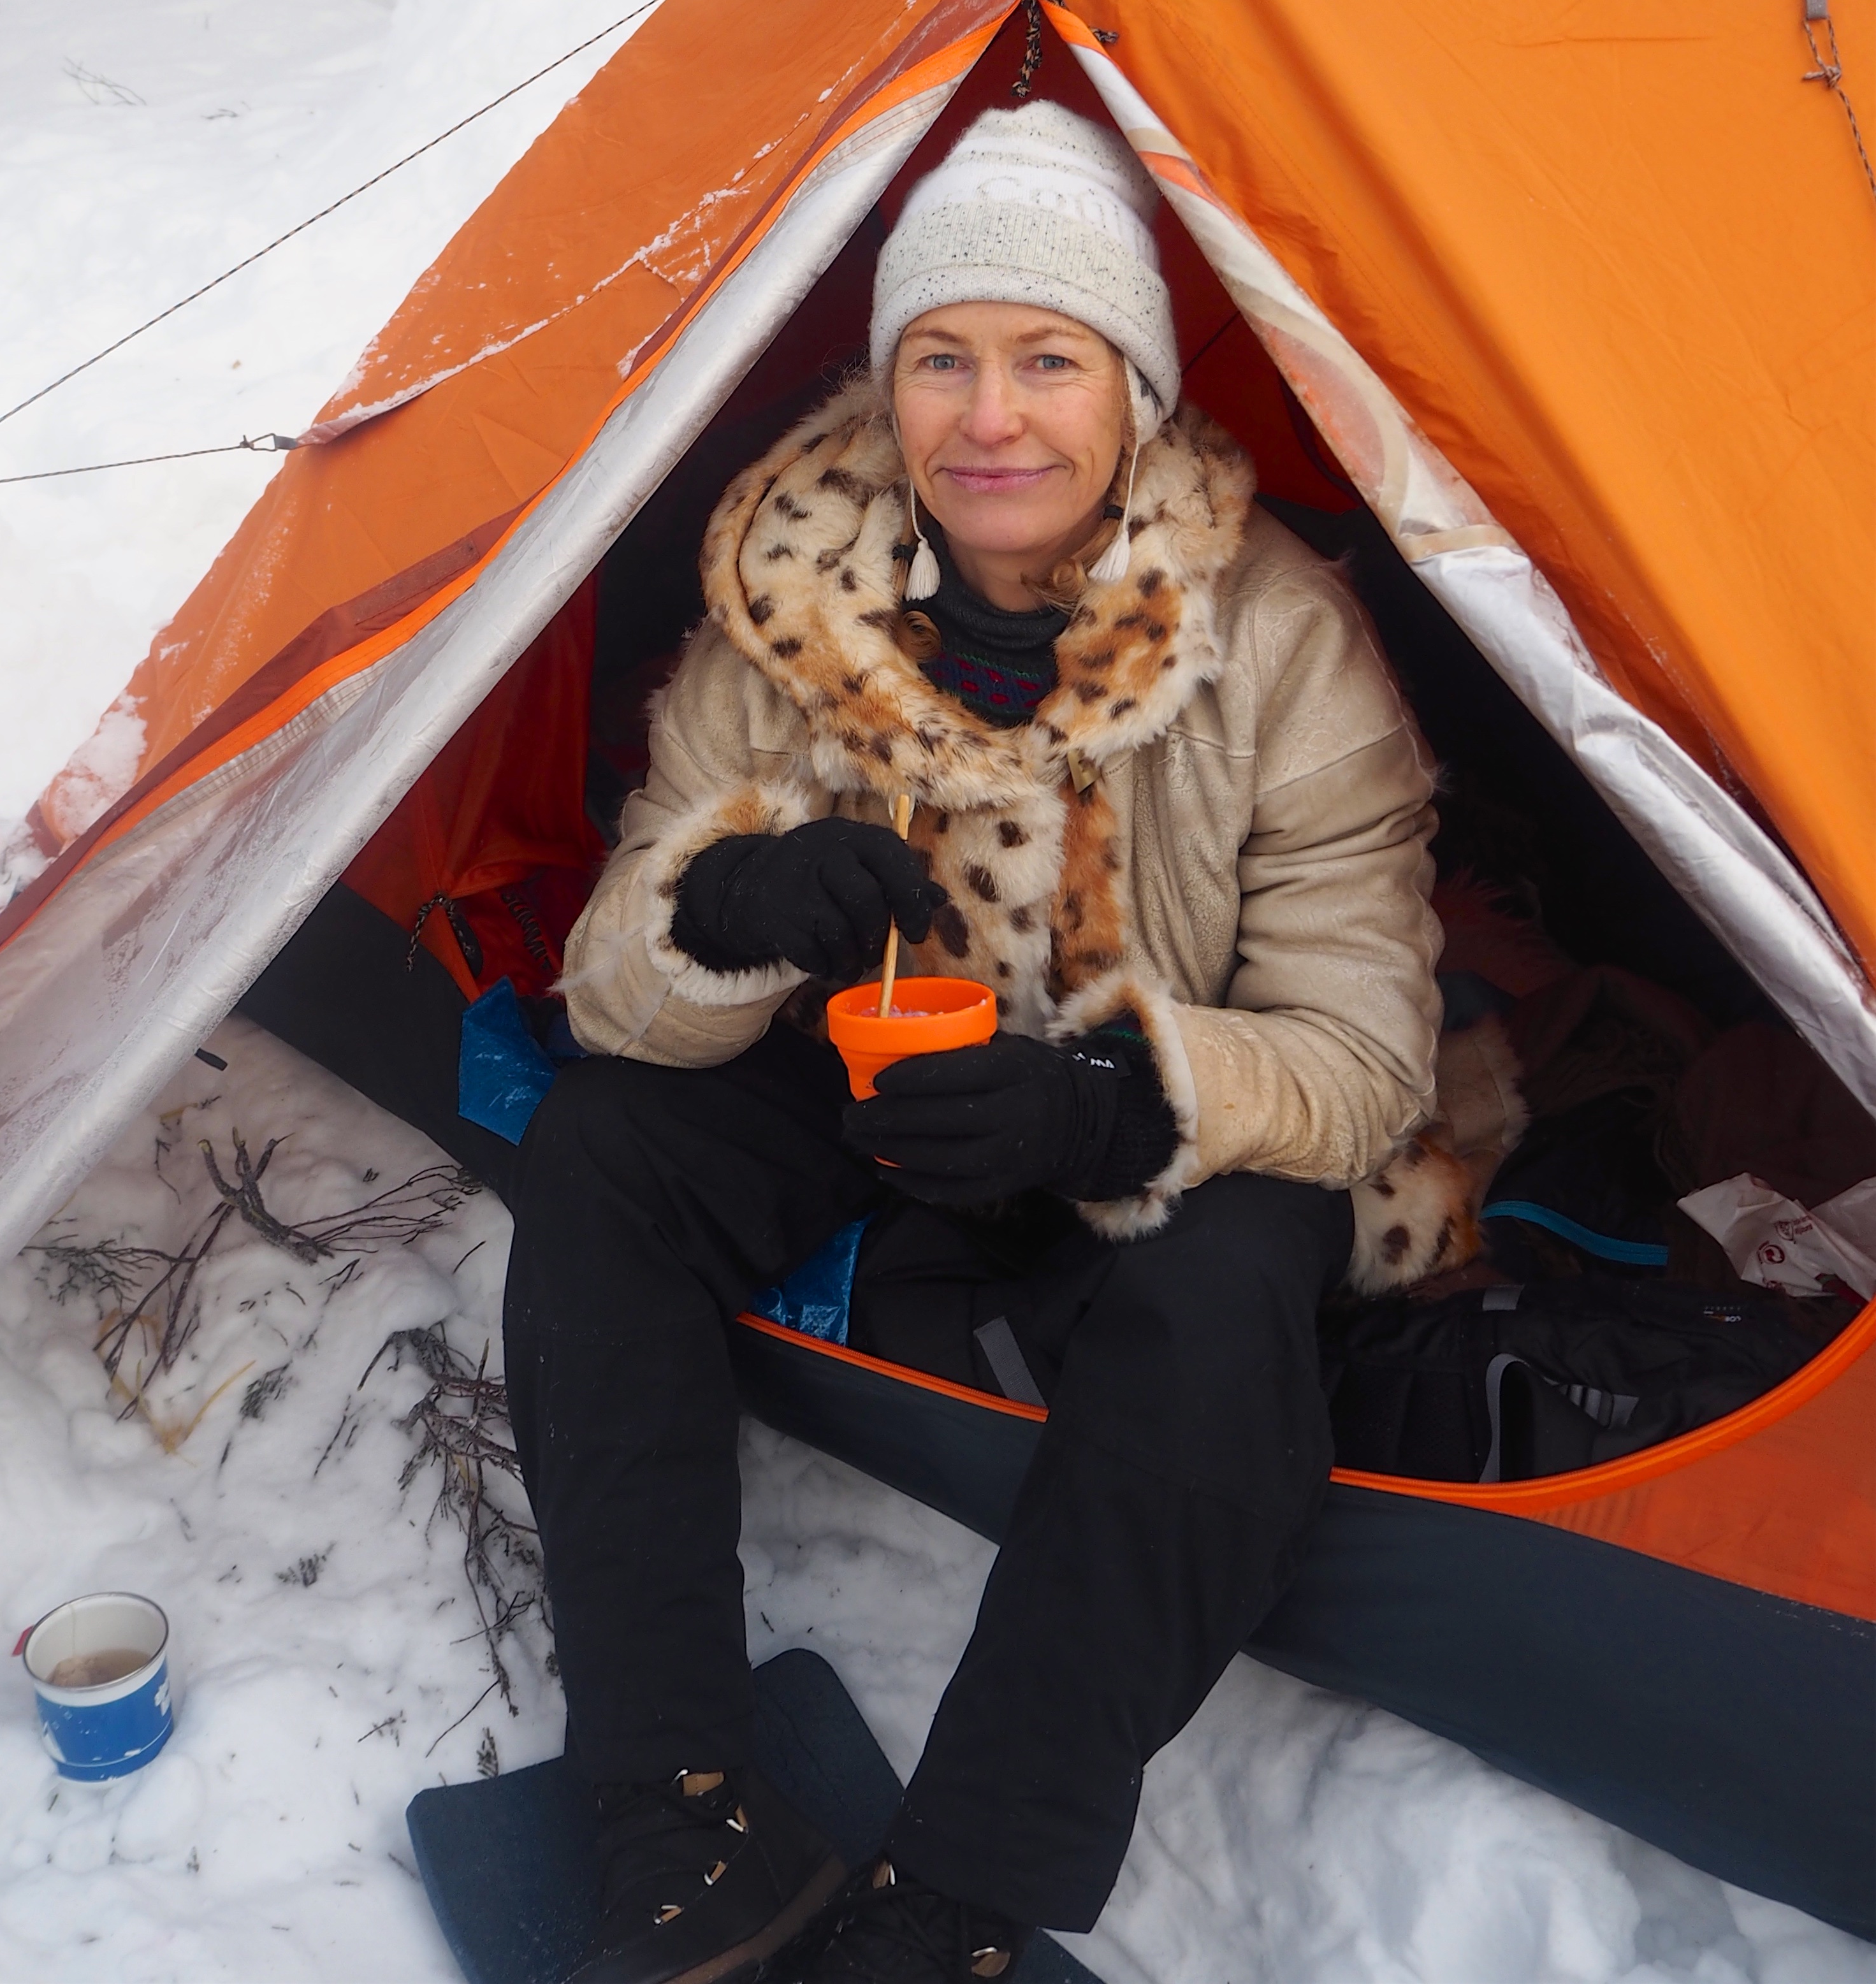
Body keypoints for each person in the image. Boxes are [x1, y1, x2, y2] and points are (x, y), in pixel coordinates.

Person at [503, 100, 1458, 1984]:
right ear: (889, 388)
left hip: (1130, 1128)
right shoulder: (789, 616)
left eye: (1047, 359)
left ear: (1136, 396)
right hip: (876, 1095)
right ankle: (670, 1806)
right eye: (942, 359)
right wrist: (718, 909)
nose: (990, 417)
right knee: (608, 1149)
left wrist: (1112, 1106)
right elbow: (610, 989)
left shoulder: (1278, 643)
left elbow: (1364, 1060)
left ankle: (957, 1908)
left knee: (1237, 1281)